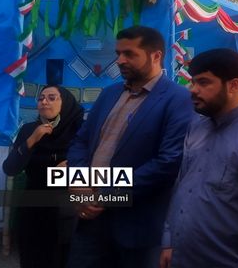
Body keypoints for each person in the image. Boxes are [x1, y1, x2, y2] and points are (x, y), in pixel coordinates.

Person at [67, 26, 193, 268]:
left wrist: (106, 195)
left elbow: (167, 162)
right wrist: (80, 184)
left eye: (129, 54)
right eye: (118, 53)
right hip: (90, 218)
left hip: (136, 226)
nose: (120, 60)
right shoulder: (109, 94)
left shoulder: (178, 100)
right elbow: (81, 141)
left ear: (156, 56)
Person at [160, 49, 238, 268]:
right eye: (193, 82)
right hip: (181, 257)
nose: (193, 90)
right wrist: (169, 240)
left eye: (203, 82)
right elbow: (182, 186)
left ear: (233, 85)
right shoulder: (196, 126)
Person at [3, 85, 84, 268]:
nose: (44, 102)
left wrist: (73, 168)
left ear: (65, 103)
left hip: (67, 209)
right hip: (33, 207)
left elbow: (98, 166)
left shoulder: (80, 131)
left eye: (52, 98)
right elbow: (10, 168)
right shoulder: (29, 130)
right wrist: (32, 139)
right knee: (33, 258)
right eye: (41, 98)